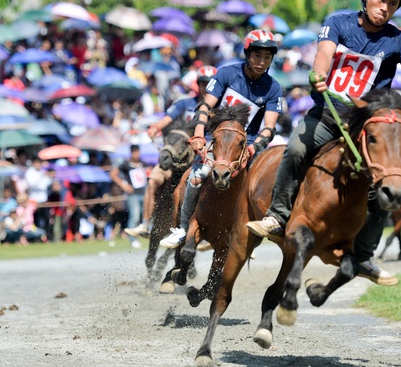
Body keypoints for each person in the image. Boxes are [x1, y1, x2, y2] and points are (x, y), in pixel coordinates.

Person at [246, 0, 401, 286]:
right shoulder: (337, 23)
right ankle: (277, 215)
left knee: (390, 179)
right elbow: (324, 55)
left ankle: (365, 256)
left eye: (393, 3)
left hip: (365, 125)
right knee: (296, 148)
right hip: (329, 114)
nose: (385, 7)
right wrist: (318, 73)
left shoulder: (398, 40)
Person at [159, 30, 283, 248]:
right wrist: (198, 134)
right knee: (197, 177)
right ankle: (183, 229)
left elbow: (269, 129)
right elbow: (205, 106)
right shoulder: (227, 73)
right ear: (247, 54)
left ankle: (249, 236)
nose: (261, 62)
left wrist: (253, 149)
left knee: (263, 184)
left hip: (248, 145)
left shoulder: (273, 88)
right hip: (216, 140)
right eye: (257, 56)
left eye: (266, 57)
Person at [124, 65, 218, 238]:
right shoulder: (185, 102)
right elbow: (167, 119)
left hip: (202, 156)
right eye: (204, 83)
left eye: (211, 83)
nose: (207, 87)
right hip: (178, 154)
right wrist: (155, 127)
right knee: (153, 180)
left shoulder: (219, 108)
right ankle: (146, 224)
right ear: (198, 84)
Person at [110, 144, 149, 248]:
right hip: (133, 195)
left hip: (144, 194)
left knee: (146, 216)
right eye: (135, 152)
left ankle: (149, 236)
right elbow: (113, 174)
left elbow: (150, 172)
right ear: (131, 153)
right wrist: (123, 184)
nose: (137, 155)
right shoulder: (126, 164)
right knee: (134, 216)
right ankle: (133, 240)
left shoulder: (142, 163)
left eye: (138, 152)